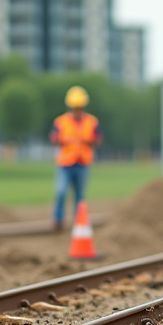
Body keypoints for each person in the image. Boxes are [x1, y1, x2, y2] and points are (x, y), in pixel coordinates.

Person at [49, 85, 102, 231]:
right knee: (60, 192)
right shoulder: (60, 121)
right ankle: (58, 221)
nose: (77, 110)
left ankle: (79, 223)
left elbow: (99, 140)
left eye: (79, 107)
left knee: (80, 197)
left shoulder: (92, 122)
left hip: (83, 162)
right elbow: (53, 138)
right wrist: (66, 140)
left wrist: (85, 140)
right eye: (74, 107)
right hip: (65, 163)